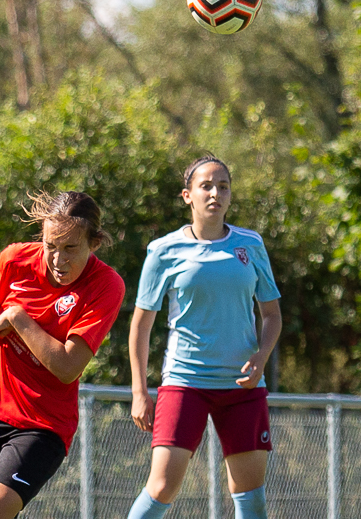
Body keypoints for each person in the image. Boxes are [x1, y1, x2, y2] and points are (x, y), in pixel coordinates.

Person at [0, 191, 125, 519]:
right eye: (50, 246)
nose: (58, 260)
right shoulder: (16, 258)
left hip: (41, 426)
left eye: (70, 248)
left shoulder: (106, 285)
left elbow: (67, 367)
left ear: (94, 243)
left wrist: (17, 317)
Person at [126, 155, 282, 519]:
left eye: (223, 186)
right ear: (187, 195)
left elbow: (272, 315)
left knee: (250, 497)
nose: (215, 193)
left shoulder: (250, 244)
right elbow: (141, 325)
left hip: (242, 388)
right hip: (185, 382)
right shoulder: (163, 250)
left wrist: (261, 357)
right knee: (162, 487)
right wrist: (139, 392)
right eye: (206, 186)